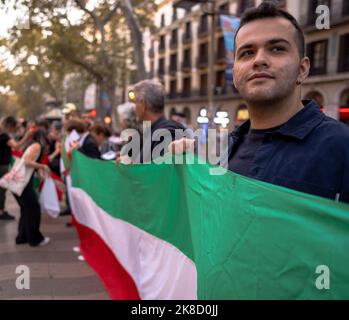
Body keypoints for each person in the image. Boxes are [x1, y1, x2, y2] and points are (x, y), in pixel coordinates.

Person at [170, 1, 349, 203]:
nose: (259, 60)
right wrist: (193, 168)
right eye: (247, 53)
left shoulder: (342, 147)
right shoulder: (225, 150)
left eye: (277, 49)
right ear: (235, 72)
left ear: (302, 69)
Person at [116, 80, 189, 164]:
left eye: (135, 102)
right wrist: (130, 160)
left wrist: (172, 148)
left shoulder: (166, 131)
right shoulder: (147, 134)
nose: (134, 108)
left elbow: (172, 146)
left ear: (143, 104)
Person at [14, 129, 51, 246]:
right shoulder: (37, 145)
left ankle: (22, 237)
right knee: (33, 209)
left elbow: (30, 162)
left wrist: (39, 173)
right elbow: (27, 161)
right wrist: (43, 166)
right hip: (23, 183)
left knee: (26, 210)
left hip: (20, 181)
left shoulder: (32, 145)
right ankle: (35, 239)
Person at [0, 116, 32, 220]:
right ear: (10, 126)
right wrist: (26, 137)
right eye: (15, 128)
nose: (15, 130)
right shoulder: (4, 136)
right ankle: (1, 211)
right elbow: (16, 146)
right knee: (2, 189)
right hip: (2, 165)